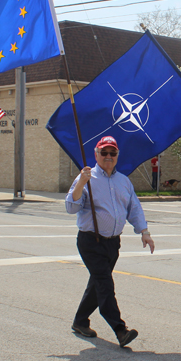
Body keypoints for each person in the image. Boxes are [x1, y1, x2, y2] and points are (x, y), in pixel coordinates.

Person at [65, 136, 155, 348]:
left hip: (113, 243)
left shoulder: (123, 181)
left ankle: (80, 321)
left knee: (98, 284)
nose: (108, 156)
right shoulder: (86, 177)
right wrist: (81, 183)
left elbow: (134, 208)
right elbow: (71, 207)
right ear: (96, 154)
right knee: (105, 285)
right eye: (103, 152)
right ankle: (120, 330)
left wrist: (144, 231)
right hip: (90, 241)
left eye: (112, 153)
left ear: (117, 156)